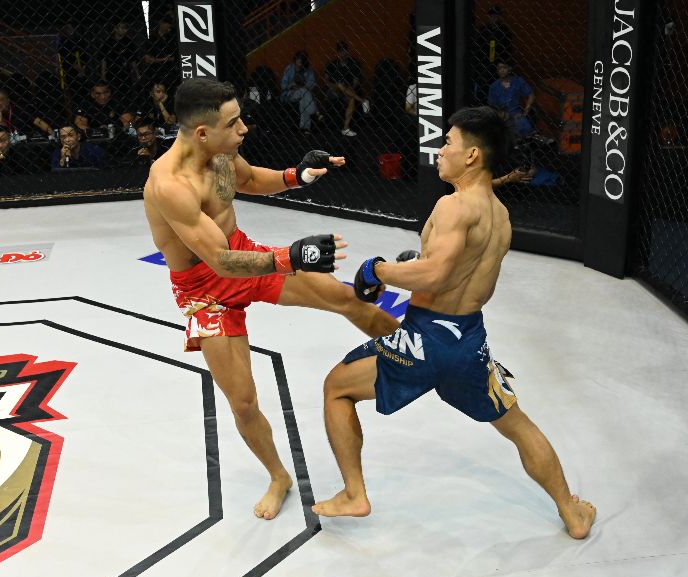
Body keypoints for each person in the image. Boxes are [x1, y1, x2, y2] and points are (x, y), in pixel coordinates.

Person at [312, 106, 596, 540]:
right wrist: (420, 264)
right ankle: (572, 513)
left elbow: (436, 275)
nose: (439, 149)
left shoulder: (453, 206)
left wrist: (378, 270)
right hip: (468, 342)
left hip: (427, 338)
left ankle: (354, 494)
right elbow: (461, 273)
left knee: (336, 387)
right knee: (519, 427)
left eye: (448, 142)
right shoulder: (499, 215)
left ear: (472, 156)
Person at [143, 77, 399, 520]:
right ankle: (278, 475)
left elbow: (246, 180)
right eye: (233, 122)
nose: (243, 129)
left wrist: (296, 176)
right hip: (207, 293)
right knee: (242, 401)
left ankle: (420, 349)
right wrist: (290, 257)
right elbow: (220, 262)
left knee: (346, 299)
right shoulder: (170, 185)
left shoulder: (219, 151)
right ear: (202, 132)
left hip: (243, 253)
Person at [325, 41, 370, 137]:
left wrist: (350, 88)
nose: (342, 54)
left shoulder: (354, 63)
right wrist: (335, 86)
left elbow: (356, 82)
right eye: (340, 52)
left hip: (349, 91)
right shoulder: (332, 64)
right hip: (334, 89)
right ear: (337, 52)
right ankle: (363, 100)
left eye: (344, 52)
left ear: (347, 52)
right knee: (340, 84)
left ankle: (345, 128)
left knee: (352, 98)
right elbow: (327, 81)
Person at [487, 60, 535, 139]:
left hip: (516, 114)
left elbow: (531, 95)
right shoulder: (494, 86)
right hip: (501, 115)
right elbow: (491, 105)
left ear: (510, 69)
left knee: (523, 127)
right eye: (499, 68)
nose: (501, 70)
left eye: (504, 68)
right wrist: (499, 114)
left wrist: (526, 111)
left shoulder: (518, 81)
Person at [280, 50, 319, 134]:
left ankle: (305, 128)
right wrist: (289, 85)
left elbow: (312, 84)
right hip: (290, 94)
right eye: (297, 61)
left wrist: (302, 87)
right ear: (295, 60)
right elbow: (283, 85)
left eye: (301, 62)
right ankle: (315, 112)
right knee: (304, 92)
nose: (299, 64)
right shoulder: (289, 68)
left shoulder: (308, 71)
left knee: (303, 100)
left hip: (303, 94)